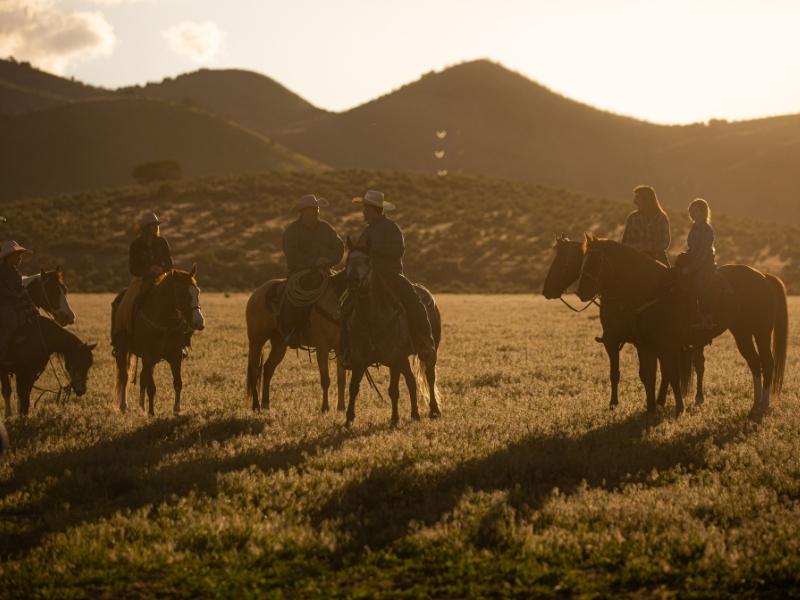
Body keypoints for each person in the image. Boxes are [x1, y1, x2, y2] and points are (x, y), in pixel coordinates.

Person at [343, 190, 435, 366]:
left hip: (391, 275)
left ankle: (424, 342)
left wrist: (375, 254)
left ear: (372, 209)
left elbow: (398, 250)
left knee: (413, 301)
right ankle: (348, 348)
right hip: (367, 277)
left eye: (365, 209)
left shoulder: (392, 228)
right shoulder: (367, 231)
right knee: (345, 304)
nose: (363, 212)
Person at [279, 195, 344, 347]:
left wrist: (329, 261)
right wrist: (312, 263)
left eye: (317, 209)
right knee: (296, 299)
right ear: (303, 212)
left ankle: (344, 331)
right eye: (313, 209)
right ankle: (294, 331)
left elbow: (339, 247)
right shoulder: (292, 232)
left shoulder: (326, 228)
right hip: (300, 272)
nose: (317, 212)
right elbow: (291, 254)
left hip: (324, 271)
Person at [112, 212, 173, 354]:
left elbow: (170, 263)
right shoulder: (136, 245)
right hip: (142, 279)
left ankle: (182, 340)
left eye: (157, 225)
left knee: (180, 300)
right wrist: (148, 271)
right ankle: (122, 337)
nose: (156, 228)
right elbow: (133, 268)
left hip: (162, 277)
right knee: (125, 305)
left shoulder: (162, 242)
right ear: (145, 228)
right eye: (153, 225)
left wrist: (161, 269)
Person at [0, 241, 38, 365]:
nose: (20, 258)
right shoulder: (2, 271)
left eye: (20, 255)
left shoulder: (15, 272)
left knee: (32, 317)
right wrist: (14, 295)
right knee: (10, 319)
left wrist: (31, 305)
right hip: (3, 304)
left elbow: (21, 289)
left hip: (13, 303)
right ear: (8, 257)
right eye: (17, 255)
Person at [682, 198, 717, 329]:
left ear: (703, 212)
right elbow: (693, 248)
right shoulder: (694, 227)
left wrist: (691, 268)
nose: (693, 213)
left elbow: (703, 253)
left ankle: (706, 318)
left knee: (701, 286)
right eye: (692, 210)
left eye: (696, 210)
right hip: (694, 261)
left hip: (705, 264)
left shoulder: (706, 229)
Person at [621, 185, 671, 265]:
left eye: (638, 198)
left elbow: (664, 242)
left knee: (668, 276)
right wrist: (636, 248)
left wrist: (645, 248)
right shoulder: (632, 218)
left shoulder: (660, 218)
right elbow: (625, 242)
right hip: (634, 259)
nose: (635, 201)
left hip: (656, 259)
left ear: (646, 199)